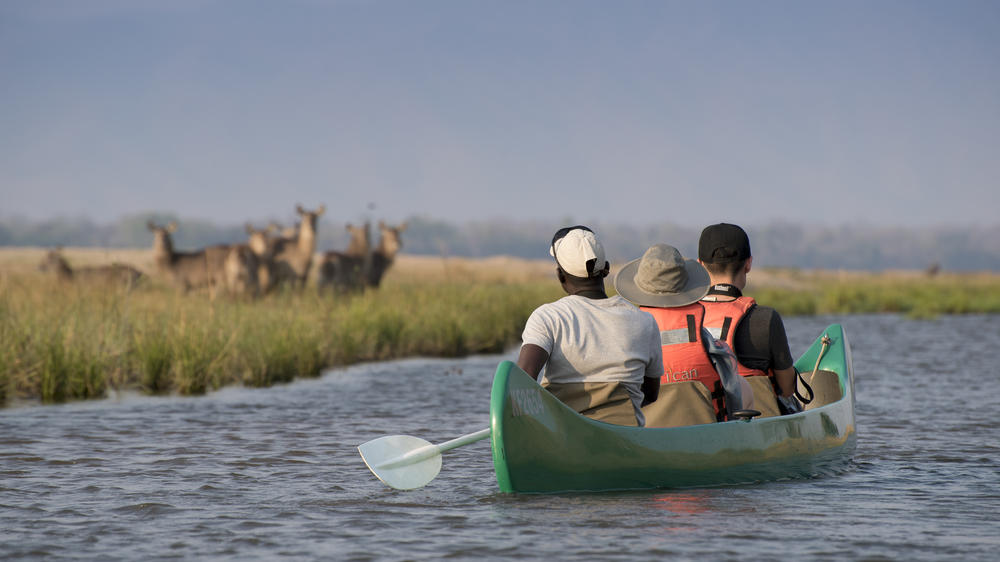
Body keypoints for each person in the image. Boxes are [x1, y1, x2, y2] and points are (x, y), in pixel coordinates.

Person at [517, 225, 663, 427]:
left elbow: (521, 381)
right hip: (624, 436)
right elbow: (651, 394)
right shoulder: (645, 321)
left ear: (560, 275)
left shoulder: (548, 317)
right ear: (607, 269)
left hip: (562, 434)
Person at [614, 244, 754, 427]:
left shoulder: (628, 339)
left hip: (646, 434)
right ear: (685, 287)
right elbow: (732, 391)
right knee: (745, 389)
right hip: (705, 430)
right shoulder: (709, 343)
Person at [697, 223, 803, 416]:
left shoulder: (685, 319)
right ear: (748, 264)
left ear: (700, 265)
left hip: (700, 419)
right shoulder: (765, 318)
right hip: (757, 423)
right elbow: (787, 389)